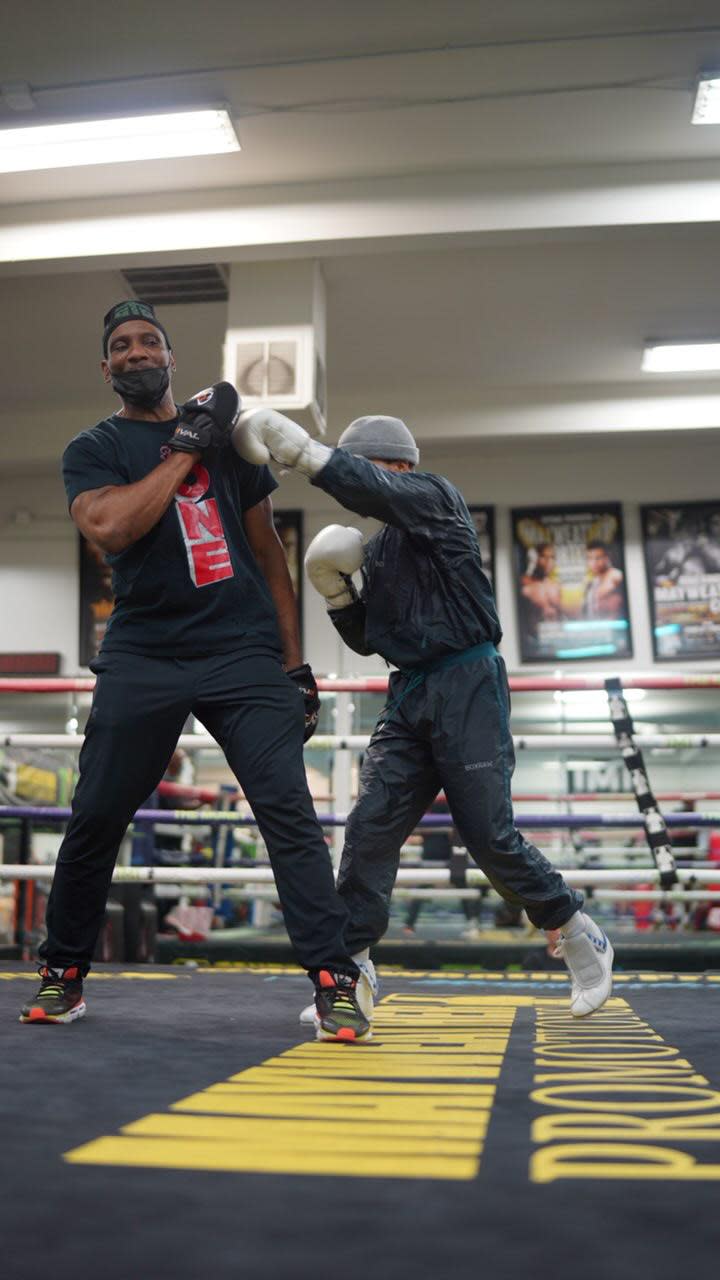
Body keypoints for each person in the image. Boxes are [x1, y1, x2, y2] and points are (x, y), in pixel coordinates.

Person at [20, 299, 370, 1043]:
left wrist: (292, 662)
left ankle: (336, 980)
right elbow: (112, 524)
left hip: (240, 651)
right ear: (107, 367)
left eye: (151, 341)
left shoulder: (231, 449)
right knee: (96, 817)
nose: (138, 352)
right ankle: (63, 973)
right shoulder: (93, 448)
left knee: (287, 812)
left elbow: (267, 549)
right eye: (122, 345)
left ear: (172, 358)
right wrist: (184, 447)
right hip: (143, 651)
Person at [232, 410, 615, 1023]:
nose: (362, 486)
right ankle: (350, 969)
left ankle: (578, 934)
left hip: (468, 681)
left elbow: (369, 486)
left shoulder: (437, 500)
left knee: (489, 836)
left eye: (369, 468)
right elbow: (370, 640)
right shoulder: (378, 548)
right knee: (369, 829)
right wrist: (336, 592)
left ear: (401, 467)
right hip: (409, 692)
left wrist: (306, 453)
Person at [582, 540, 625, 620]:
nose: (593, 562)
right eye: (590, 558)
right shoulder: (592, 582)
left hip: (614, 626)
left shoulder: (615, 575)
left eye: (598, 558)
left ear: (606, 558)